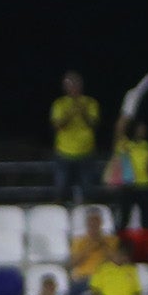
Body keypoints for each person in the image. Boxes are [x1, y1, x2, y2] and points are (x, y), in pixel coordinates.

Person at [50, 74, 101, 203]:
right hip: (64, 152)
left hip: (86, 152)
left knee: (88, 189)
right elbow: (57, 126)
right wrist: (69, 113)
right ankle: (59, 214)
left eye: (75, 85)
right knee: (60, 189)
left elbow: (93, 124)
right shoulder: (60, 104)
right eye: (69, 85)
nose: (72, 88)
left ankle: (86, 215)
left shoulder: (90, 103)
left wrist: (83, 111)